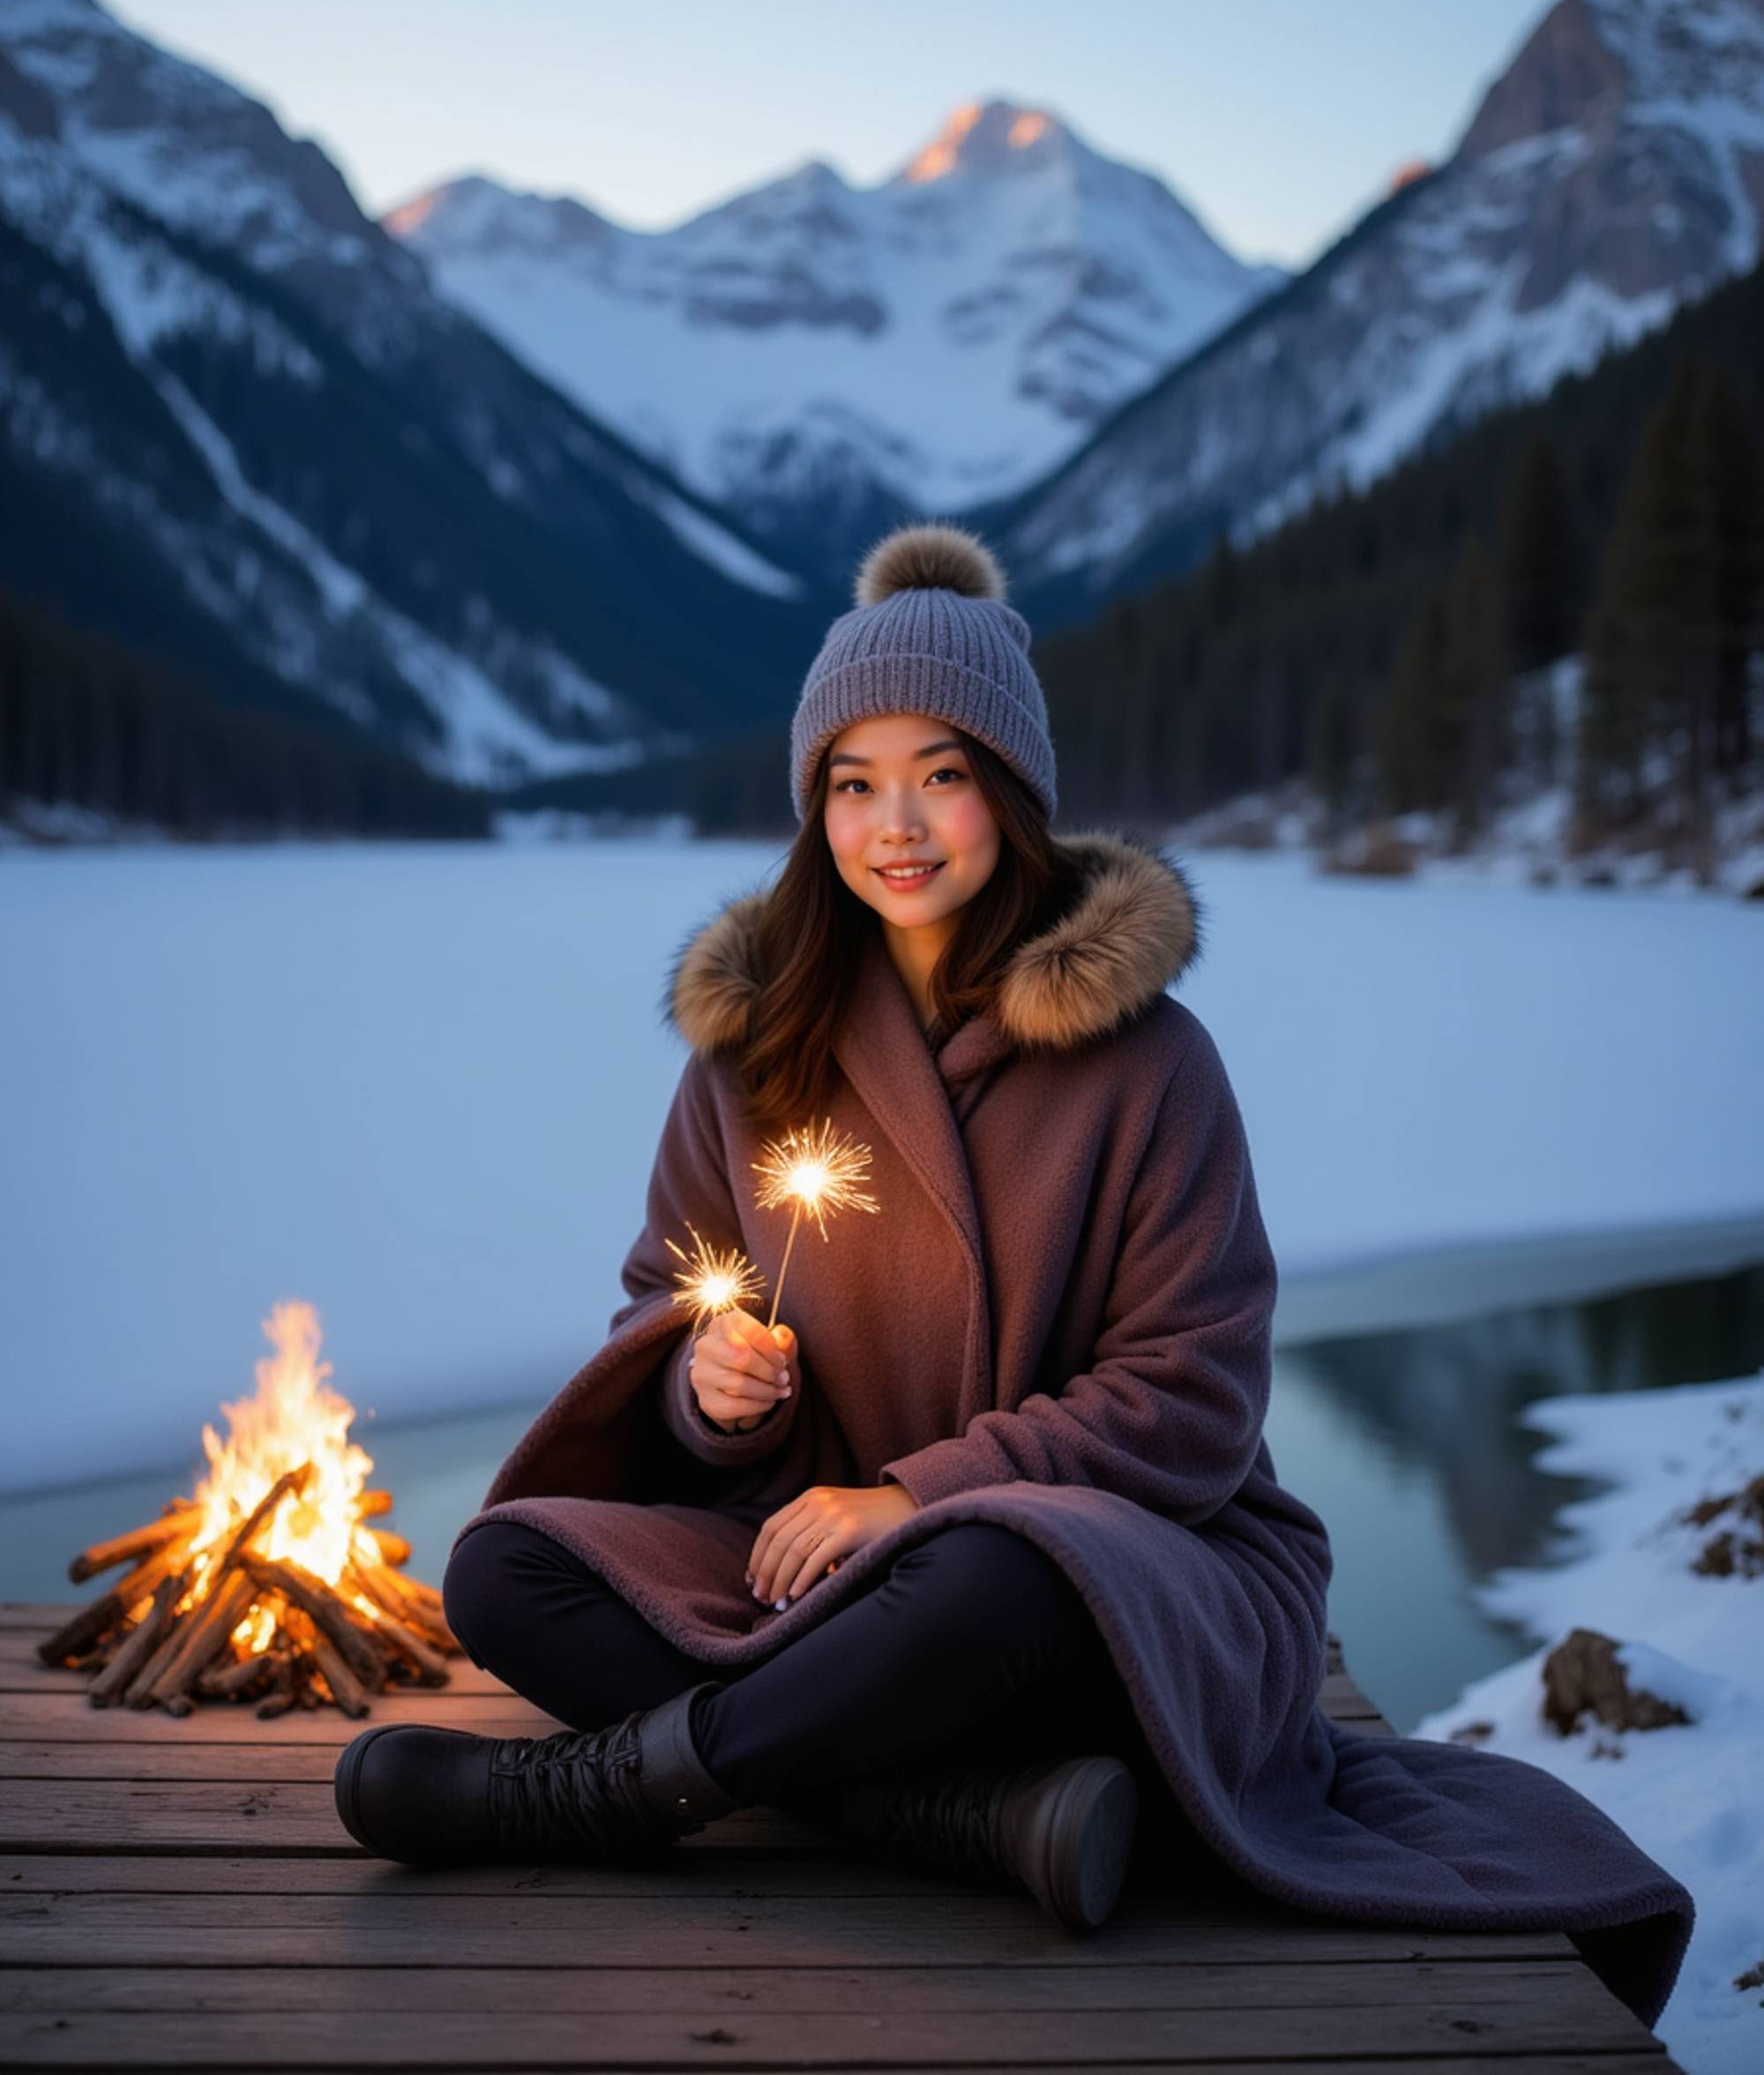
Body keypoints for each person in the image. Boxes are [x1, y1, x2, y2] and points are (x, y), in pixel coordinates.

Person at [334, 525, 1694, 2018]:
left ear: (1014, 789)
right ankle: (959, 1813)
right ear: (813, 809)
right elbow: (668, 1294)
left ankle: (596, 1794)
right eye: (853, 783)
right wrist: (706, 1394)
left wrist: (919, 1496)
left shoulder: (1149, 1064)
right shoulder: (754, 1053)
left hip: (1113, 1569)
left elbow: (1192, 1397)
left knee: (990, 1570)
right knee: (507, 1566)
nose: (896, 825)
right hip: (819, 1564)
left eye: (941, 774)